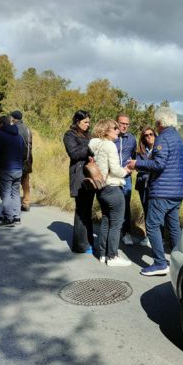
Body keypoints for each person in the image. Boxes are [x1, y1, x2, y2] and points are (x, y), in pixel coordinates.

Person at [127, 107, 183, 276]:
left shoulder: (163, 139)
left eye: (156, 123)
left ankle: (160, 263)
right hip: (177, 191)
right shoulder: (181, 140)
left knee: (152, 225)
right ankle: (178, 261)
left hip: (162, 191)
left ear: (160, 123)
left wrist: (136, 164)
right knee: (174, 226)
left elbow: (159, 165)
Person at [89, 119, 132, 266]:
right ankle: (112, 256)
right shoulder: (110, 145)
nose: (118, 130)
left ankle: (102, 254)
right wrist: (126, 171)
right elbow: (115, 169)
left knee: (106, 221)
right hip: (113, 188)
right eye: (115, 128)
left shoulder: (97, 145)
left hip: (101, 188)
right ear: (106, 130)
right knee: (116, 224)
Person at [63, 110, 95, 253]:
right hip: (79, 176)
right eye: (85, 122)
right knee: (81, 210)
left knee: (88, 210)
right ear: (77, 121)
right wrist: (91, 148)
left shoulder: (89, 135)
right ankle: (80, 245)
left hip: (91, 175)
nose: (88, 125)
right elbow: (74, 153)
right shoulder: (69, 135)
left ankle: (88, 240)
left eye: (89, 122)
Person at [0, 115, 25, 227]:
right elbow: (24, 152)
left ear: (1, 124)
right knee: (15, 193)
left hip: (5, 168)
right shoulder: (19, 136)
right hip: (18, 168)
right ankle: (17, 217)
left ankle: (8, 218)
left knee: (5, 194)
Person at [114, 114, 136, 246]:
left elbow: (133, 156)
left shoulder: (132, 139)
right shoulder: (111, 137)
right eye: (122, 123)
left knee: (125, 205)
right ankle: (113, 232)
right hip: (112, 176)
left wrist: (130, 169)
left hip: (126, 177)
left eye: (127, 124)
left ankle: (126, 233)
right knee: (113, 203)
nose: (124, 126)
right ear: (116, 123)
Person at [134, 126, 156, 247]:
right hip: (143, 185)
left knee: (155, 212)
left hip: (155, 185)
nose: (148, 137)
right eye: (146, 135)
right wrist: (150, 166)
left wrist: (145, 166)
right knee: (146, 210)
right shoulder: (140, 151)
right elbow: (137, 167)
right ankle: (148, 236)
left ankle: (158, 238)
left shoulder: (160, 149)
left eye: (151, 134)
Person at [11, 110, 33, 212]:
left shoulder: (13, 129)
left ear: (14, 118)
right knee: (25, 182)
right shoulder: (28, 129)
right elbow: (30, 145)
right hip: (28, 159)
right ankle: (26, 203)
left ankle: (13, 204)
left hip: (16, 160)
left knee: (14, 183)